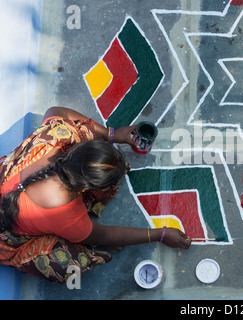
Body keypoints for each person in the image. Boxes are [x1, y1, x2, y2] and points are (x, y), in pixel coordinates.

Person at [0, 107, 191, 283]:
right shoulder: (67, 215)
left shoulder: (55, 137)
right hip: (6, 239)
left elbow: (56, 111)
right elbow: (105, 235)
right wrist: (160, 234)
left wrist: (112, 135)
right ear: (87, 189)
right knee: (66, 266)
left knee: (77, 131)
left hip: (7, 184)